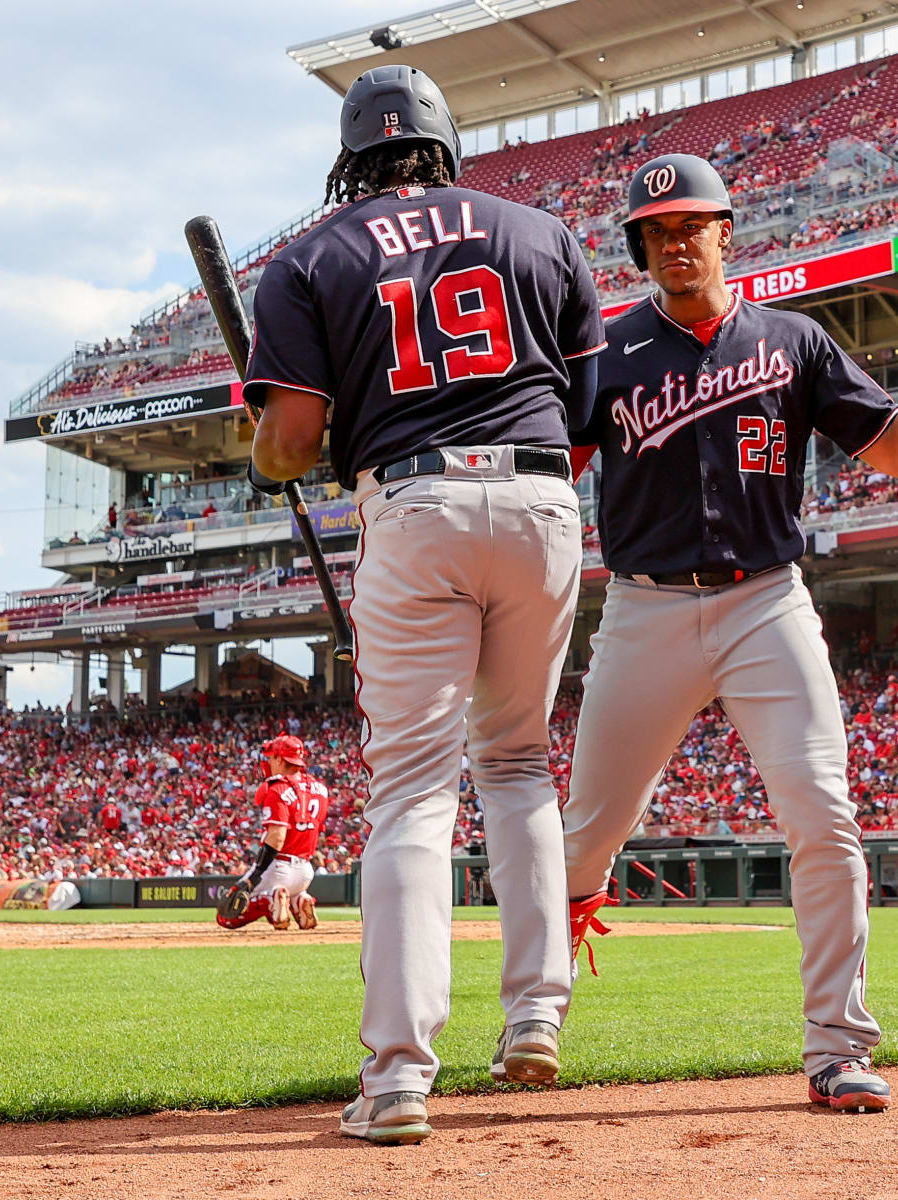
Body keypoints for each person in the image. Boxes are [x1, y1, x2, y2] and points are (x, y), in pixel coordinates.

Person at [243, 65, 604, 1145]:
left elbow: (293, 443)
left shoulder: (310, 256)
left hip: (414, 498)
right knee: (518, 765)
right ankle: (536, 1016)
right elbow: (586, 408)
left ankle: (399, 1075)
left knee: (410, 790)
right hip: (542, 500)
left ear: (351, 157)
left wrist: (264, 451)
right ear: (445, 147)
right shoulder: (538, 230)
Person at [561, 152, 898, 1115]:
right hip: (644, 605)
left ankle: (837, 1048)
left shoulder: (794, 342)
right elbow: (548, 473)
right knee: (582, 842)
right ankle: (532, 1016)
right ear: (640, 248)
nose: (674, 243)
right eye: (655, 233)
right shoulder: (609, 356)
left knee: (824, 818)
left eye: (690, 226)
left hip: (766, 601)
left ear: (725, 231)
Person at [215, 735, 329, 933]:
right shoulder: (320, 789)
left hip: (278, 867)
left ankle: (270, 899)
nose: (268, 762)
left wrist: (255, 874)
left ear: (279, 759)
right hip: (305, 871)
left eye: (271, 757)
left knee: (226, 916)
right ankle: (299, 899)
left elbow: (277, 836)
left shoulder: (277, 788)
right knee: (291, 891)